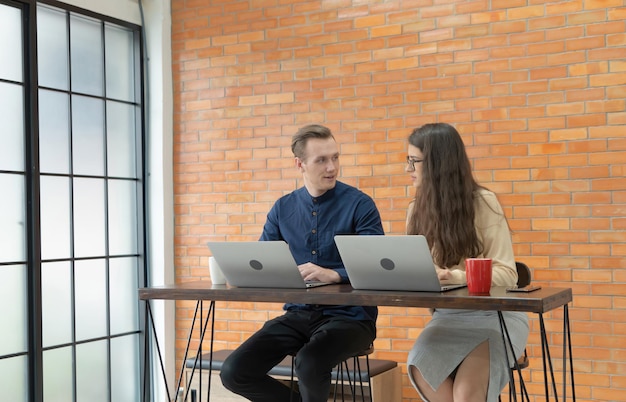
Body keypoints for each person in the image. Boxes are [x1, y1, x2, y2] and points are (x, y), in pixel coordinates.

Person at [220, 124, 385, 402]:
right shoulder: (282, 208)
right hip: (298, 315)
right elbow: (263, 261)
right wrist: (243, 274)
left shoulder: (361, 205)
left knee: (309, 362)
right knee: (235, 371)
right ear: (300, 164)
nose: (332, 167)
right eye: (321, 160)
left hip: (351, 318)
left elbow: (377, 269)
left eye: (335, 157)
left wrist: (335, 274)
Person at [404, 123, 529, 402]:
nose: (408, 169)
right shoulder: (415, 210)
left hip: (496, 315)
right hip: (448, 318)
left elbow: (508, 275)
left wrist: (456, 276)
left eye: (414, 161)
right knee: (419, 367)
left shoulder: (484, 202)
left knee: (465, 395)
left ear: (437, 164)